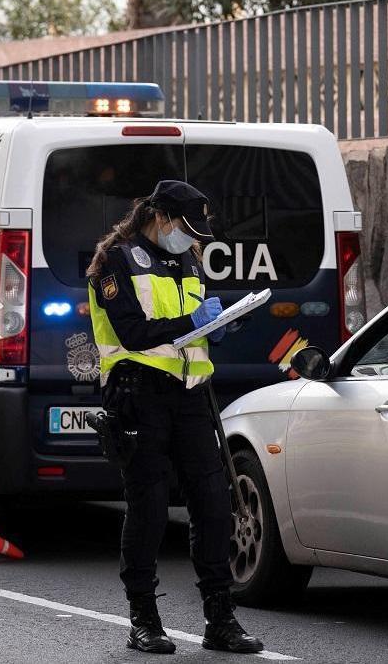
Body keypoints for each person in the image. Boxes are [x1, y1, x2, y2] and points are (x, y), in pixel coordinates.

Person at [86, 180, 264, 655]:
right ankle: (143, 617)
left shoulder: (185, 259)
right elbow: (134, 332)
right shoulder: (115, 262)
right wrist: (195, 323)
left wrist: (221, 326)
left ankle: (220, 618)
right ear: (160, 217)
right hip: (140, 396)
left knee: (212, 504)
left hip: (190, 396)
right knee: (147, 508)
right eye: (188, 228)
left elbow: (190, 332)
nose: (195, 239)